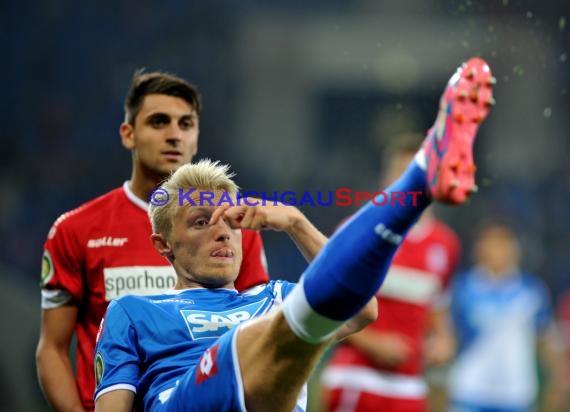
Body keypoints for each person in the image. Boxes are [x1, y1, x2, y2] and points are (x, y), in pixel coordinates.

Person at [93, 57, 495, 412]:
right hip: (185, 399)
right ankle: (417, 182)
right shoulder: (134, 311)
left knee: (293, 315)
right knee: (261, 334)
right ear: (164, 245)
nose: (222, 232)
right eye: (201, 222)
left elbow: (363, 310)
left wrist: (296, 223)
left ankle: (420, 180)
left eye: (230, 221)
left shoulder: (272, 296)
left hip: (287, 377)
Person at [36, 71, 270, 412]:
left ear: (197, 137)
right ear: (128, 134)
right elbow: (53, 348)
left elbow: (257, 334)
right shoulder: (76, 230)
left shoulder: (234, 232)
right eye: (159, 122)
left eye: (186, 124)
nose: (175, 135)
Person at [321, 133, 461, 412]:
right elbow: (322, 306)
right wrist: (371, 342)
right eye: (404, 173)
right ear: (387, 178)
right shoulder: (358, 229)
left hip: (410, 385)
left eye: (421, 174)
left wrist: (444, 343)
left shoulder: (445, 245)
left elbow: (438, 314)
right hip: (357, 378)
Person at [447, 222, 566, 412]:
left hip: (515, 394)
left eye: (504, 243)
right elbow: (447, 334)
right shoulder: (463, 288)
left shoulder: (531, 291)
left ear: (515, 249)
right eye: (491, 242)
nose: (497, 250)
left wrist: (558, 378)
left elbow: (545, 337)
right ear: (479, 248)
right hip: (470, 389)